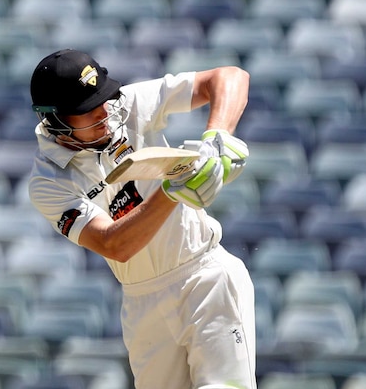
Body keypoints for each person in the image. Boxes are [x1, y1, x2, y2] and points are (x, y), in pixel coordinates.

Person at [26, 48, 256, 389]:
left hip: (204, 276)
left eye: (103, 99)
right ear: (56, 120)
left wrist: (217, 137)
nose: (105, 112)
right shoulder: (48, 182)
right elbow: (114, 244)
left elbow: (230, 77)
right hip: (142, 301)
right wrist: (172, 191)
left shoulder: (126, 106)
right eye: (89, 110)